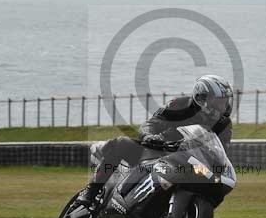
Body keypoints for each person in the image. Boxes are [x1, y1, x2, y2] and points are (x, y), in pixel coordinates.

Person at [75, 75, 234, 210]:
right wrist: (149, 137)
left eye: (225, 102)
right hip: (156, 150)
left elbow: (219, 151)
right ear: (203, 99)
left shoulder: (223, 124)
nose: (223, 106)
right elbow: (151, 123)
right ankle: (90, 192)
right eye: (219, 102)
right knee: (123, 143)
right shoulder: (179, 105)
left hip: (188, 161)